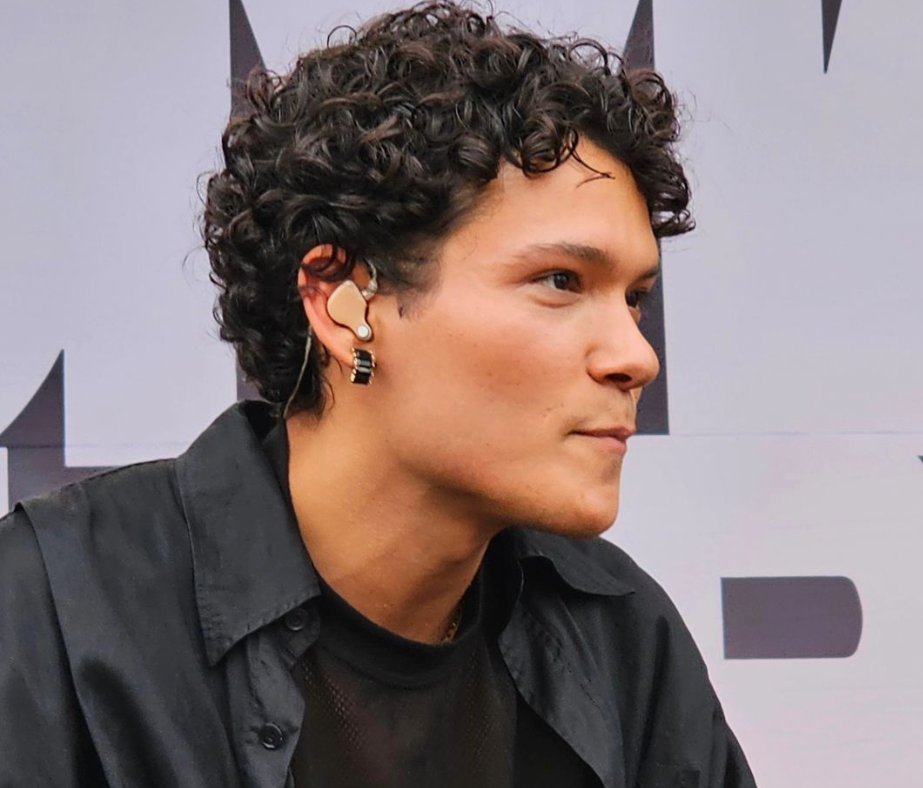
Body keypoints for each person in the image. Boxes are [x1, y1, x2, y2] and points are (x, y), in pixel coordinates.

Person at [0, 1, 758, 785]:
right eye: (560, 281)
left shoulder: (626, 641)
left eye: (635, 298)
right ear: (344, 304)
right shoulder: (49, 614)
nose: (637, 357)